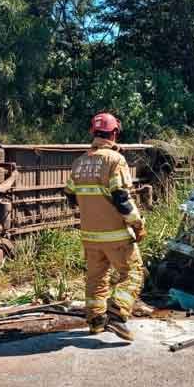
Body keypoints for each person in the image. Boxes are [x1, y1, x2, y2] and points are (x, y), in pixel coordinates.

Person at [64, 112, 147, 341]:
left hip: (90, 236)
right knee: (133, 273)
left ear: (93, 133)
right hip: (116, 234)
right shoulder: (115, 160)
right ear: (114, 133)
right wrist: (137, 224)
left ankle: (96, 321)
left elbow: (70, 195)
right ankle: (117, 314)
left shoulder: (79, 162)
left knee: (96, 279)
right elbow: (121, 198)